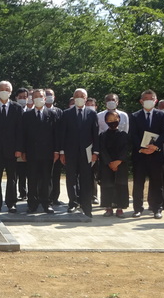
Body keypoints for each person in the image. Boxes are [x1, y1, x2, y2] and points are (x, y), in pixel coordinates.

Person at [58, 88, 99, 218]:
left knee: (86, 179)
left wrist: (95, 152)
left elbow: (95, 134)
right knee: (71, 179)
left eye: (82, 96)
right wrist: (62, 152)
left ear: (86, 99)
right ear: (73, 98)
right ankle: (72, 203)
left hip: (87, 152)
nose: (79, 98)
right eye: (77, 96)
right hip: (70, 152)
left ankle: (86, 206)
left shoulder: (92, 114)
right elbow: (62, 134)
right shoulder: (66, 113)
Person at [129, 89, 164, 219]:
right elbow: (133, 134)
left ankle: (157, 208)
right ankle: (137, 208)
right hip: (140, 155)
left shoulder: (162, 116)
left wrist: (155, 147)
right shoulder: (134, 116)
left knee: (157, 183)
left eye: (151, 98)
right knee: (138, 183)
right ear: (141, 101)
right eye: (146, 99)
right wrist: (142, 148)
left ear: (155, 100)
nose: (148, 101)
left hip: (156, 155)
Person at [19, 88, 59, 214]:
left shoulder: (52, 114)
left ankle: (47, 203)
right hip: (31, 153)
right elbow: (23, 135)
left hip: (48, 153)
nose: (38, 99)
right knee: (32, 179)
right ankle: (32, 204)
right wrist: (23, 151)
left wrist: (56, 151)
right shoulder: (26, 115)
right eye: (35, 97)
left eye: (40, 96)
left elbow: (56, 134)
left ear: (45, 98)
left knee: (47, 179)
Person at [0, 80, 22, 213]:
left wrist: (19, 148)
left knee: (12, 177)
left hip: (12, 149)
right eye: (2, 89)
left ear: (11, 92)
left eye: (7, 89)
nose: (4, 91)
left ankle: (11, 203)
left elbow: (20, 130)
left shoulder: (17, 108)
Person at [99, 110, 130, 218]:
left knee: (120, 185)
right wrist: (109, 162)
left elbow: (125, 149)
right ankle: (108, 207)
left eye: (115, 119)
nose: (112, 122)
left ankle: (120, 208)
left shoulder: (123, 135)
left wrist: (118, 161)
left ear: (119, 120)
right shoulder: (102, 135)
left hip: (120, 165)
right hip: (106, 165)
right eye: (110, 120)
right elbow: (102, 150)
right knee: (107, 186)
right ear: (106, 121)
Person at [45, 88, 64, 206]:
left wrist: (59, 150)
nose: (48, 96)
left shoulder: (59, 112)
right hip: (42, 150)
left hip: (56, 148)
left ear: (54, 97)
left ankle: (54, 197)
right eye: (46, 94)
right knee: (43, 176)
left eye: (51, 95)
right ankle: (44, 197)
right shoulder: (39, 111)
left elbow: (61, 132)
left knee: (55, 174)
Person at [15, 87, 29, 201]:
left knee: (31, 172)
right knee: (19, 172)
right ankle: (22, 193)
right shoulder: (14, 110)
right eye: (20, 97)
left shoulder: (32, 111)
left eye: (25, 97)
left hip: (31, 147)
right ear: (16, 98)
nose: (23, 99)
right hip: (17, 147)